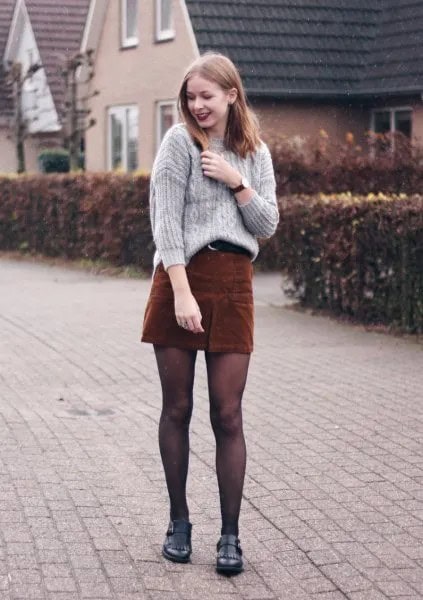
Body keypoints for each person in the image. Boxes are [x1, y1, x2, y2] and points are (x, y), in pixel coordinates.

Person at [141, 52, 279, 575]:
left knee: (228, 413)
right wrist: (179, 290)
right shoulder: (178, 143)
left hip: (234, 284)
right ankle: (179, 521)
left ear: (231, 96)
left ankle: (230, 535)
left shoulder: (255, 152)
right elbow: (165, 220)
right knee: (177, 409)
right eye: (191, 97)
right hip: (181, 279)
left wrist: (234, 180)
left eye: (208, 96)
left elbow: (266, 223)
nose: (198, 106)